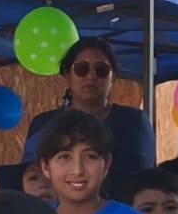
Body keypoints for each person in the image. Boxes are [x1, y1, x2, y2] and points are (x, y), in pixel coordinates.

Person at [21, 39, 152, 198]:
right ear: (68, 75)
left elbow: (139, 181)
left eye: (101, 70)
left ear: (114, 77)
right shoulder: (43, 123)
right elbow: (31, 176)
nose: (91, 76)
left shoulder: (132, 121)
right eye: (81, 69)